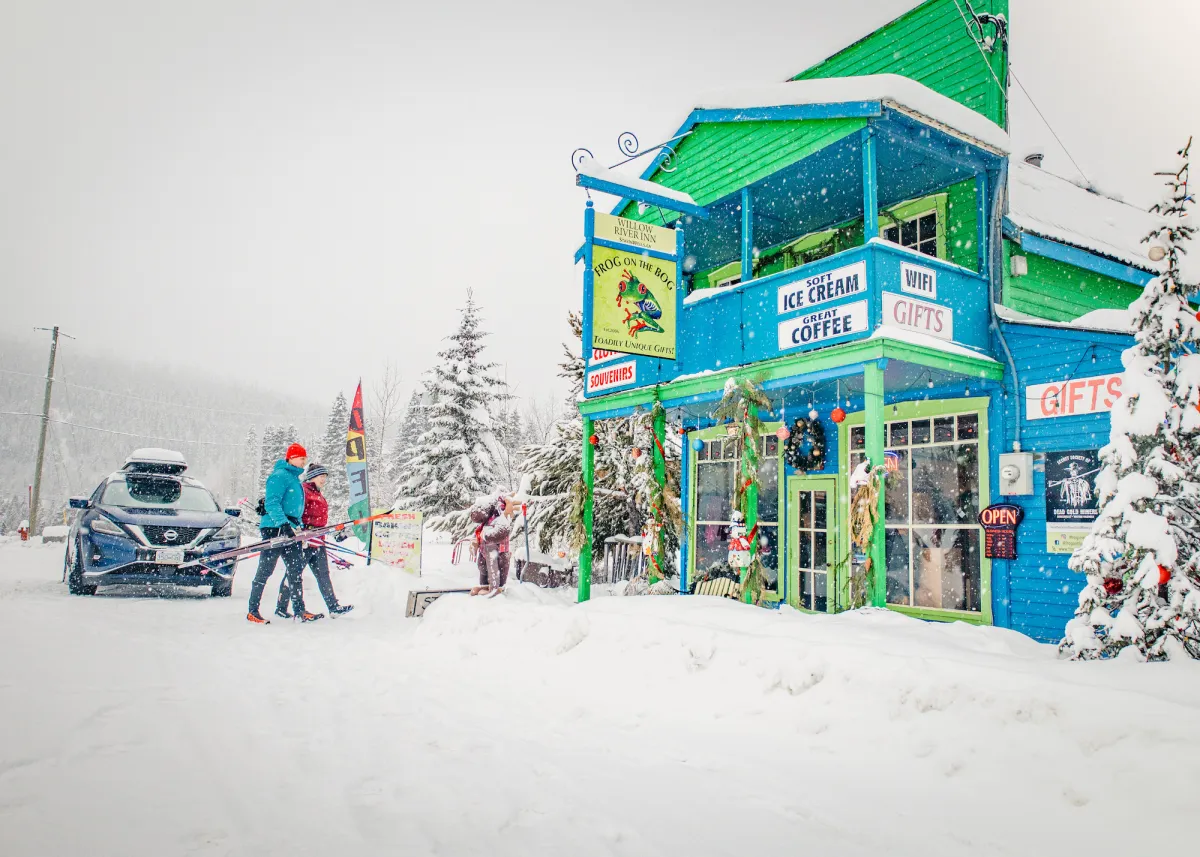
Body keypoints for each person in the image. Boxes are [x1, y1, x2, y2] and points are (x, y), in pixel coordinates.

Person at [246, 443, 323, 624]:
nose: (304, 461)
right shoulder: (279, 476)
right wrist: (283, 524)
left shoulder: (295, 479)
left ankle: (300, 610)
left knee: (295, 571)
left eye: (305, 458)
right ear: (290, 458)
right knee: (265, 570)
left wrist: (301, 527)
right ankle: (252, 610)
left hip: (292, 529)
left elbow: (296, 508)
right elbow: (272, 503)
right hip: (275, 528)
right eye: (301, 458)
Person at [275, 463, 352, 618]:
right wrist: (302, 530)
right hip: (304, 541)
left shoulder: (318, 493)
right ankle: (281, 607)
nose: (324, 479)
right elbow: (295, 511)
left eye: (325, 477)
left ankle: (333, 607)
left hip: (318, 540)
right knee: (294, 574)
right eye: (321, 476)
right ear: (312, 477)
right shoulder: (303, 491)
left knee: (323, 574)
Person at [469, 493, 514, 596]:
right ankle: (484, 586)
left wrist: (485, 535)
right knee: (483, 570)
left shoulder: (502, 517)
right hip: (484, 553)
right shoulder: (485, 522)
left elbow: (502, 531)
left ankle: (497, 589)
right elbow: (477, 534)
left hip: (499, 553)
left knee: (498, 571)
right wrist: (475, 542)